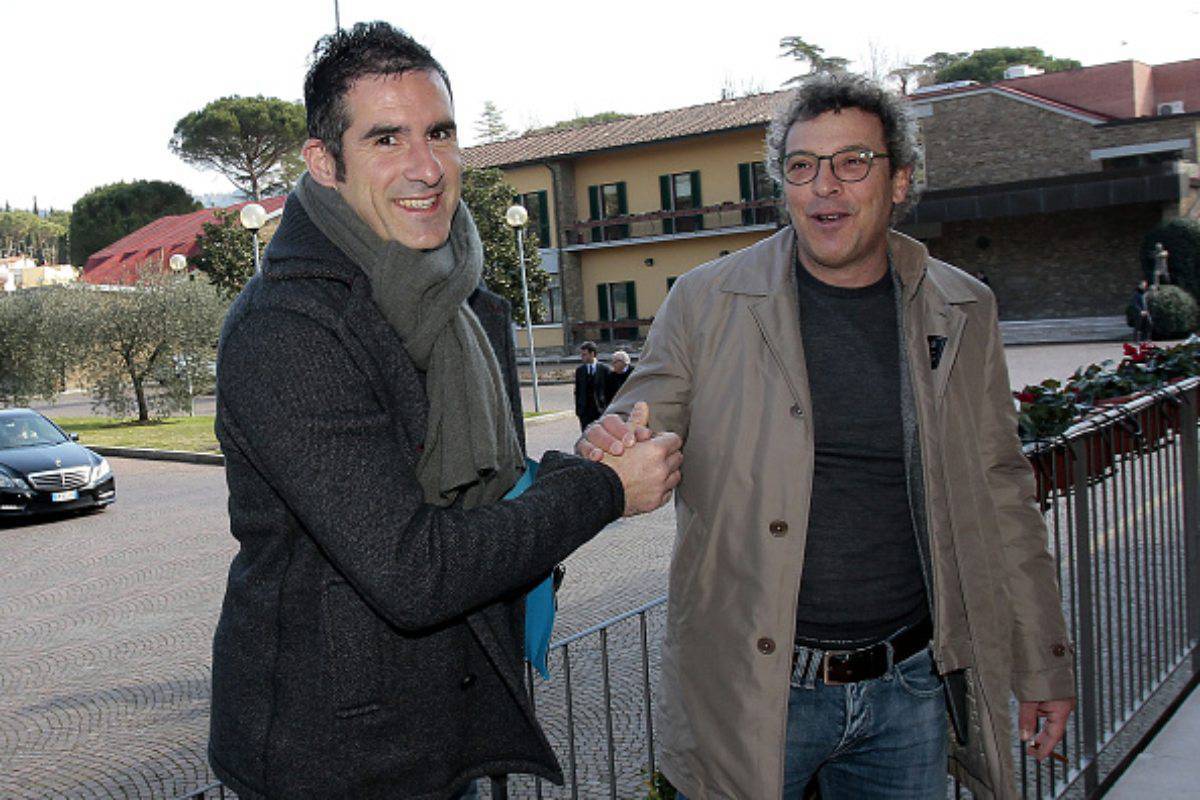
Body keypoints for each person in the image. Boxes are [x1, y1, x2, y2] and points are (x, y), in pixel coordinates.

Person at [206, 22, 682, 800]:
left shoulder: (467, 303)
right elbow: (412, 569)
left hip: (452, 721)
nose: (426, 167)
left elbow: (484, 501)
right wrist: (604, 493)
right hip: (336, 760)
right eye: (386, 139)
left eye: (441, 133)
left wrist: (578, 465)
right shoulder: (286, 330)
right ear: (324, 163)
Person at [581, 72, 1074, 799]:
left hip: (910, 692)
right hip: (755, 692)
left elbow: (1004, 493)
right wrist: (614, 442)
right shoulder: (707, 302)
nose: (825, 187)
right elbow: (644, 415)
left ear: (900, 180)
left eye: (852, 162)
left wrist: (1043, 664)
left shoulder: (963, 307)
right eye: (802, 166)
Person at [573, 340, 610, 431]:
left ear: (592, 354)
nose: (582, 357)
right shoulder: (580, 371)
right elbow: (577, 391)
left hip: (600, 409)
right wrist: (578, 410)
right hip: (584, 411)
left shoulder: (604, 369)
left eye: (584, 354)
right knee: (586, 436)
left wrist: (607, 408)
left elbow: (609, 390)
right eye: (581, 355)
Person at [1132, 279, 1153, 343]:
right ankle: (1136, 340)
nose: (1144, 286)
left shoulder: (1144, 293)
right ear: (1139, 285)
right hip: (1139, 312)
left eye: (1145, 285)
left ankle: (1147, 339)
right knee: (1138, 326)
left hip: (1146, 311)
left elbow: (1146, 302)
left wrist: (1147, 311)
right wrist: (1140, 311)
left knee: (1149, 324)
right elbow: (1135, 304)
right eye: (1143, 285)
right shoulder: (1136, 294)